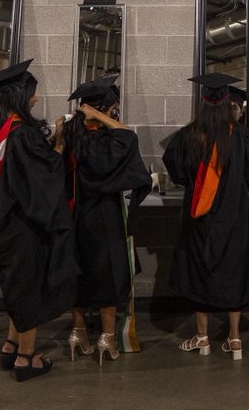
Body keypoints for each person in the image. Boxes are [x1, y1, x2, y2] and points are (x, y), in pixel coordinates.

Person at [0, 60, 78, 382]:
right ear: (21, 96)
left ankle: (10, 345)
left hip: (2, 223)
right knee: (29, 289)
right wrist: (60, 143)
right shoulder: (22, 134)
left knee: (16, 288)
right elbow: (44, 175)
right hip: (23, 227)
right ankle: (26, 357)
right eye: (33, 95)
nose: (35, 100)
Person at [163, 73, 249, 360]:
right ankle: (234, 339)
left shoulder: (189, 135)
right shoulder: (242, 137)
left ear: (202, 103)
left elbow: (175, 170)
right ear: (228, 104)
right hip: (234, 217)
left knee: (200, 271)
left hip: (200, 217)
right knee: (234, 271)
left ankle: (202, 338)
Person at [60, 75, 151, 365]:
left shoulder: (72, 135)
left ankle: (77, 333)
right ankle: (107, 339)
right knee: (108, 276)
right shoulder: (105, 139)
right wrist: (101, 116)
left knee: (79, 274)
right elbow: (129, 136)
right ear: (104, 109)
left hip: (74, 216)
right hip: (103, 216)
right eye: (113, 107)